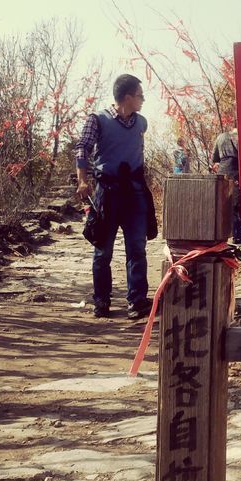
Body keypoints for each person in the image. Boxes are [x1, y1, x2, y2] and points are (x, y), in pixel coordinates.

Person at [74, 74, 157, 319]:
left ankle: (137, 301)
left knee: (137, 249)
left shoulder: (141, 122)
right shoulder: (97, 120)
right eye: (140, 95)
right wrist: (82, 180)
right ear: (128, 97)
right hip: (107, 194)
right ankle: (102, 302)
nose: (143, 100)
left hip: (134, 193)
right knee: (103, 250)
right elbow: (83, 148)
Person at [211, 125, 241, 243]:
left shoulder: (220, 137)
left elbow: (214, 158)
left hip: (221, 172)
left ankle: (220, 236)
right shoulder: (236, 137)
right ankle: (237, 236)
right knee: (235, 205)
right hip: (234, 170)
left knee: (223, 205)